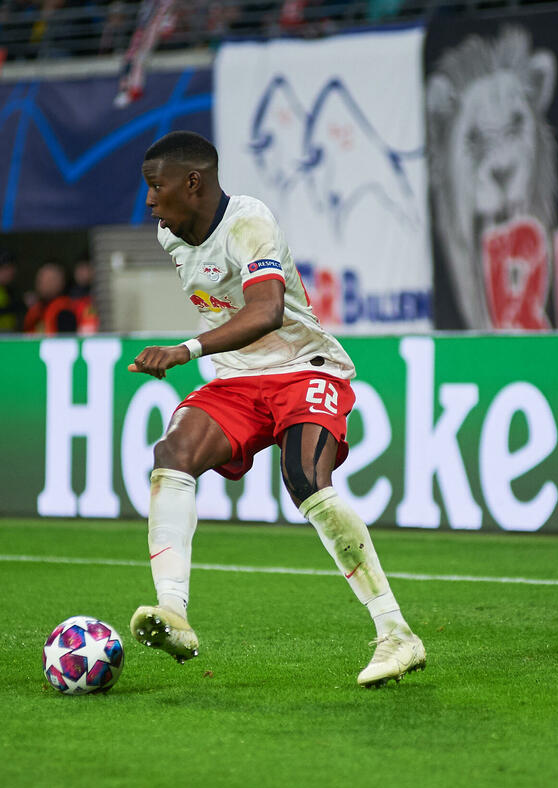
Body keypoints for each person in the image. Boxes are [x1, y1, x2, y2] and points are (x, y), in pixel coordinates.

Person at [126, 131, 424, 687]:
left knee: (305, 478)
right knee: (174, 453)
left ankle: (396, 633)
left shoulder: (249, 222)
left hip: (303, 367)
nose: (149, 200)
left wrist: (185, 350)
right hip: (238, 380)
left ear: (193, 183)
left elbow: (265, 312)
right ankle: (173, 613)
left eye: (156, 186)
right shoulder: (170, 235)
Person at [23, 261, 78, 334]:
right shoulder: (33, 308)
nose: (45, 283)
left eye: (50, 279)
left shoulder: (65, 312)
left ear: (62, 282)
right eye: (41, 278)